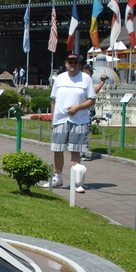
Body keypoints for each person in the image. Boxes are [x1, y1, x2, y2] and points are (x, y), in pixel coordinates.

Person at [42, 53, 96, 192]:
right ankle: (58, 178)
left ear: (78, 64)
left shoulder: (86, 79)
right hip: (61, 119)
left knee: (76, 151)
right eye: (70, 62)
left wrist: (77, 107)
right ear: (66, 63)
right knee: (58, 149)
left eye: (75, 62)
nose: (72, 64)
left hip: (79, 120)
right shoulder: (60, 78)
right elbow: (53, 99)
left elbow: (92, 99)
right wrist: (53, 119)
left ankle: (77, 182)